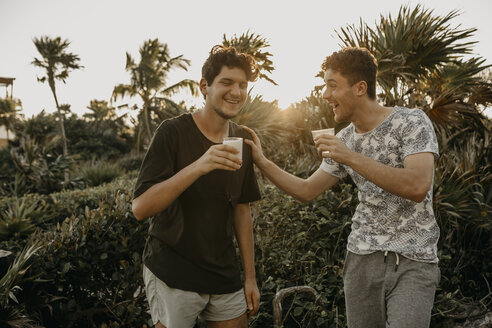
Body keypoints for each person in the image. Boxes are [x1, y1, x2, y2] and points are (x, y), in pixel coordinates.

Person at [243, 47, 440, 328]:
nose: (325, 94)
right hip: (360, 259)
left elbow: (418, 185)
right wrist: (261, 161)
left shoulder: (411, 121)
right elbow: (306, 190)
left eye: (332, 85)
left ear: (360, 88)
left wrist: (348, 156)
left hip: (413, 260)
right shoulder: (344, 138)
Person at [132, 45, 261, 328]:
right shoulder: (173, 132)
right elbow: (141, 207)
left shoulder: (242, 139)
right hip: (173, 271)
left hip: (223, 273)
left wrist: (249, 277)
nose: (236, 92)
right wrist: (200, 165)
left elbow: (242, 210)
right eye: (227, 82)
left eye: (242, 85)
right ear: (204, 86)